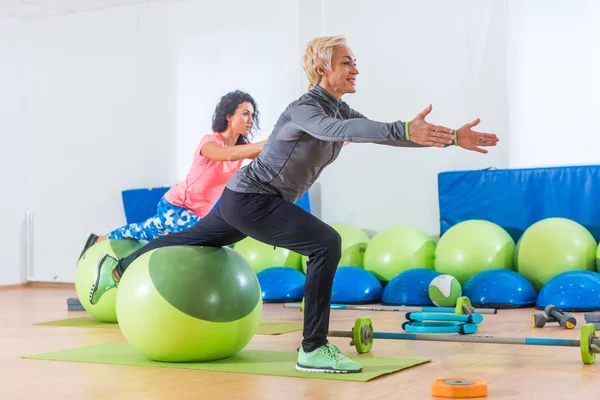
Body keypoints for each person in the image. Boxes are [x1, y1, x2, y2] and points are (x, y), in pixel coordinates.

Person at [88, 35, 499, 373]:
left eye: (355, 62)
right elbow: (342, 129)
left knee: (194, 238)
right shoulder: (307, 109)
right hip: (253, 199)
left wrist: (449, 137)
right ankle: (313, 348)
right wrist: (401, 125)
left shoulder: (337, 107)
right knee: (325, 243)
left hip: (245, 199)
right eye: (346, 62)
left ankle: (119, 267)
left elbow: (373, 131)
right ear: (323, 70)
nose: (355, 68)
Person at [78, 90, 266, 259]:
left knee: (142, 231)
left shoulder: (244, 149)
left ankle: (98, 239)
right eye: (245, 113)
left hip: (194, 213)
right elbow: (228, 155)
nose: (250, 119)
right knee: (212, 236)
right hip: (176, 206)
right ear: (228, 116)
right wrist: (263, 144)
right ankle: (127, 263)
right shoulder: (209, 143)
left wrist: (278, 137)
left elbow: (268, 153)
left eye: (252, 115)